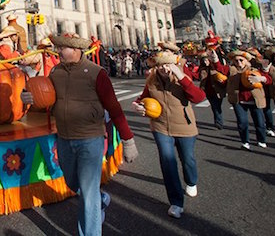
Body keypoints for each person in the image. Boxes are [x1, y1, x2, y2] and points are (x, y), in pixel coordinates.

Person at [21, 33, 138, 236]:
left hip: (90, 139)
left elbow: (114, 107)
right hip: (64, 138)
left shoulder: (96, 73)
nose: (57, 51)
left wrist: (127, 139)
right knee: (73, 183)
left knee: (87, 190)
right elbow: (48, 102)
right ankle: (99, 200)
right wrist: (29, 98)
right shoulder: (56, 72)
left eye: (62, 48)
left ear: (75, 49)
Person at [132, 51, 206, 219]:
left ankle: (191, 181)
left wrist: (180, 75)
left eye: (167, 64)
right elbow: (143, 98)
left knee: (187, 159)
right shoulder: (151, 80)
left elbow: (199, 97)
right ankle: (176, 202)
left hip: (184, 126)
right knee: (167, 161)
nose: (164, 68)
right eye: (160, 65)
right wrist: (137, 105)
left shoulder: (181, 76)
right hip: (160, 126)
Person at [225, 50, 272, 150]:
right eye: (236, 61)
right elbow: (219, 68)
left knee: (259, 122)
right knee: (242, 122)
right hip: (238, 100)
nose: (239, 63)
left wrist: (262, 79)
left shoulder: (254, 70)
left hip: (254, 100)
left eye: (241, 60)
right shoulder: (231, 71)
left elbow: (268, 80)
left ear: (246, 61)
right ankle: (245, 141)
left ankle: (261, 139)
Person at [197, 50, 226, 129]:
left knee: (217, 106)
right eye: (204, 60)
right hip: (208, 91)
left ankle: (218, 121)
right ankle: (218, 122)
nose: (205, 62)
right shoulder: (203, 69)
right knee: (214, 106)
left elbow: (222, 70)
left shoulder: (215, 67)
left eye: (206, 60)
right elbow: (198, 77)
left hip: (217, 90)